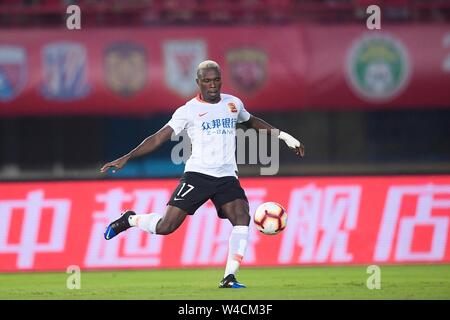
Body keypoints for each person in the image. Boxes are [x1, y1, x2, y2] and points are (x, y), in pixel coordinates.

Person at [100, 60, 304, 288]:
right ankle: (130, 219)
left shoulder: (233, 104)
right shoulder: (188, 111)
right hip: (198, 175)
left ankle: (229, 277)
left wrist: (284, 137)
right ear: (198, 82)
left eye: (216, 80)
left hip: (227, 177)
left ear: (221, 80)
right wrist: (126, 157)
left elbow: (252, 121)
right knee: (165, 227)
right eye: (207, 81)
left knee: (242, 217)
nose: (212, 85)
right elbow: (158, 137)